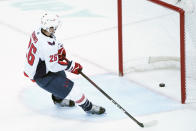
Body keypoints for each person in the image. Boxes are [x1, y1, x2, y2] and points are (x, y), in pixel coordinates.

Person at [24, 12, 105, 115]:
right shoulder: (48, 46)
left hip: (39, 67)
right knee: (74, 90)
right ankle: (88, 107)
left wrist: (58, 47)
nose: (55, 29)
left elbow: (50, 43)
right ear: (49, 27)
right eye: (54, 27)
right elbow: (53, 66)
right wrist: (71, 66)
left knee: (62, 78)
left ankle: (58, 99)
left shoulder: (38, 31)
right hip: (42, 75)